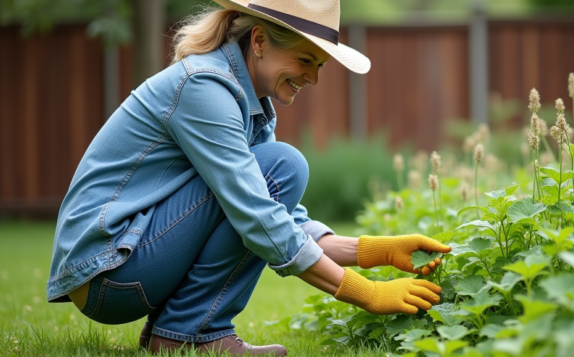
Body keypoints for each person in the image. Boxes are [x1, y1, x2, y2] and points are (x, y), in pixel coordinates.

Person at [46, 0, 451, 355]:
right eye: (305, 60)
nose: (313, 78)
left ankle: (182, 335)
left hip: (122, 264)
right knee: (284, 165)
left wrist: (377, 251)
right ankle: (192, 334)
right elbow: (258, 215)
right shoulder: (203, 85)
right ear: (259, 41)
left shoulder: (246, 101)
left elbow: (282, 218)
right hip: (108, 271)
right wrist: (367, 292)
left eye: (320, 65)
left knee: (278, 169)